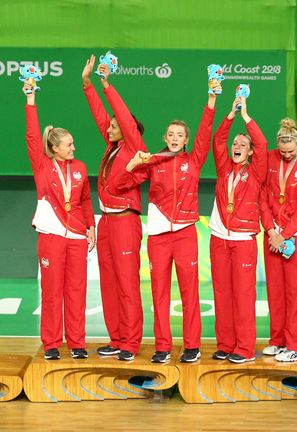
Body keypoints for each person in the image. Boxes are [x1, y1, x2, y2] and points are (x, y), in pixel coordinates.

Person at [116, 81, 218, 364]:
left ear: (186, 141)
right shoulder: (154, 161)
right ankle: (162, 347)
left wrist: (211, 100)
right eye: (171, 134)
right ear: (165, 137)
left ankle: (192, 346)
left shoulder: (194, 161)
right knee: (159, 294)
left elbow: (205, 133)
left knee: (189, 292)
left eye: (179, 135)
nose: (174, 138)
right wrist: (132, 164)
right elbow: (121, 184)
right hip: (158, 236)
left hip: (185, 233)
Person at [24, 81, 96, 360]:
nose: (74, 147)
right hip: (51, 235)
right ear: (54, 148)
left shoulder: (80, 168)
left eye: (73, 143)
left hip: (77, 235)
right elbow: (33, 137)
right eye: (69, 144)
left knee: (77, 291)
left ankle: (77, 343)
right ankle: (52, 343)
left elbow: (86, 200)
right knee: (52, 291)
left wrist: (91, 227)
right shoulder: (42, 165)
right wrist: (31, 100)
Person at [82, 55, 146, 362]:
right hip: (106, 221)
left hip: (125, 222)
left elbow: (121, 114)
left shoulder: (135, 147)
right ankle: (117, 338)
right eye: (109, 125)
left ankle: (131, 343)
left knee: (126, 283)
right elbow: (101, 116)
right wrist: (87, 84)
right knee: (108, 283)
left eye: (115, 125)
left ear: (128, 128)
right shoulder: (112, 146)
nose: (109, 127)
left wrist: (106, 84)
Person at [208, 96, 268, 364]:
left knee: (243, 296)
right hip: (219, 237)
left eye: (243, 144)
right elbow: (218, 140)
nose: (237, 146)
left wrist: (246, 116)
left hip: (243, 239)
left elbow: (263, 143)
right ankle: (226, 344)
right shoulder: (223, 168)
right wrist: (231, 114)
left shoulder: (256, 172)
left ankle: (244, 348)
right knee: (222, 294)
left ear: (251, 152)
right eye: (235, 143)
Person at [260, 117, 297, 363]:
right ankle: (279, 340)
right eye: (282, 151)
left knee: (296, 292)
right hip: (273, 234)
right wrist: (270, 230)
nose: (286, 155)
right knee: (275, 291)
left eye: (290, 151)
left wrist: (284, 234)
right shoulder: (269, 159)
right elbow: (263, 196)